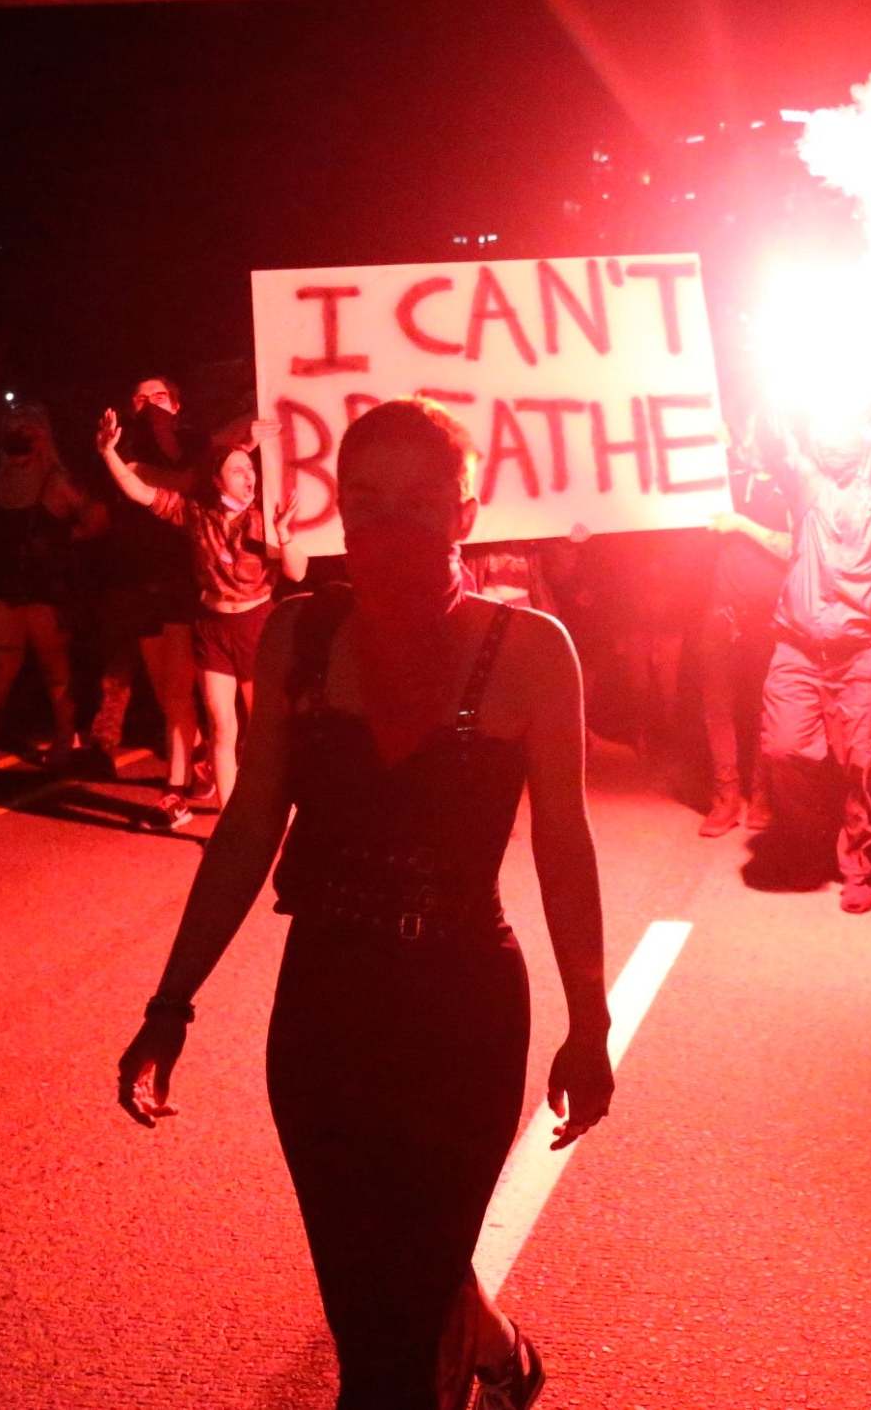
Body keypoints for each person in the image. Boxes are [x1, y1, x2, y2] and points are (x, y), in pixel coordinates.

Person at [116, 397, 613, 1410]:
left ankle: (469, 1346)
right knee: (368, 1302)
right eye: (365, 499)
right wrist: (170, 1002)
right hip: (327, 1013)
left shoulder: (530, 649)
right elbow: (250, 825)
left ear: (465, 511)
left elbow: (563, 843)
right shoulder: (299, 636)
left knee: (397, 1333)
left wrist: (589, 1018)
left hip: (462, 1013)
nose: (388, 525)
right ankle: (498, 1348)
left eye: (419, 503)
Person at [758, 411, 871, 913]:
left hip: (865, 651)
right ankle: (806, 841)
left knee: (861, 761)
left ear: (864, 432)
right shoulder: (806, 479)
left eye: (842, 428)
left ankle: (857, 865)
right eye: (823, 428)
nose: (831, 439)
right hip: (797, 646)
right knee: (784, 749)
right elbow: (777, 441)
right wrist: (774, 390)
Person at [98, 410, 306, 824]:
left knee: (264, 728)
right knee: (219, 724)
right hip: (213, 626)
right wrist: (108, 454)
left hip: (256, 625)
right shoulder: (196, 514)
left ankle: (281, 805)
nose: (249, 477)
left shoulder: (261, 519)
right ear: (216, 479)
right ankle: (228, 820)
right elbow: (141, 492)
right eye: (237, 470)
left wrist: (284, 534)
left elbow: (297, 572)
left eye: (251, 469)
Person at [0, 403, 104, 770]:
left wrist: (66, 539)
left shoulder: (55, 480)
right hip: (2, 583)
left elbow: (97, 517)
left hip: (40, 586)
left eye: (28, 427)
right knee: (2, 665)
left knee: (51, 666)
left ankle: (63, 743)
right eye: (15, 426)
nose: (20, 433)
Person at [86, 376, 203, 797]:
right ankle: (196, 760)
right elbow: (101, 512)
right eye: (139, 397)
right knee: (165, 691)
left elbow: (185, 482)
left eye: (158, 397)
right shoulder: (119, 450)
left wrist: (128, 466)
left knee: (183, 688)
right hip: (137, 579)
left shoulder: (192, 445)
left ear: (177, 404)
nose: (148, 404)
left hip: (183, 578)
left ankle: (181, 781)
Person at [699, 424, 791, 834]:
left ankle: (763, 794)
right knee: (717, 706)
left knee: (764, 706)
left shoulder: (794, 488)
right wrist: (704, 445)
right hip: (722, 611)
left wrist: (742, 524)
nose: (748, 442)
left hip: (771, 615)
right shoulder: (729, 483)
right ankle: (727, 796)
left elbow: (794, 546)